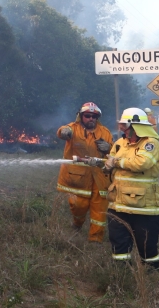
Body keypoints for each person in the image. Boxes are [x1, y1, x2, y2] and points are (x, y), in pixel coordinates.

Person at [104, 107, 159, 269]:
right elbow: (111, 160)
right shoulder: (119, 144)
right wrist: (105, 165)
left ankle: (151, 279)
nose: (122, 129)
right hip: (118, 205)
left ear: (135, 126)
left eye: (125, 125)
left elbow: (141, 163)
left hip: (145, 208)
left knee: (147, 248)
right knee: (119, 246)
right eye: (121, 125)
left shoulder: (151, 144)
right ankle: (122, 278)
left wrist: (116, 162)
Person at [56, 102, 114, 242]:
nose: (91, 119)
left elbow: (114, 154)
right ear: (81, 116)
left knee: (99, 210)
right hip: (78, 177)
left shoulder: (104, 132)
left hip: (100, 177)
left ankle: (95, 239)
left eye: (94, 116)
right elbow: (63, 130)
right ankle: (77, 223)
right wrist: (64, 132)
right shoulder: (72, 128)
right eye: (87, 116)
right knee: (78, 205)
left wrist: (108, 148)